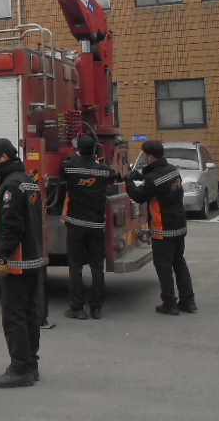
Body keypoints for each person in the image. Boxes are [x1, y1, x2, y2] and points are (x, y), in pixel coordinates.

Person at [0, 137, 46, 388]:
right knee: (30, 314)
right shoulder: (29, 181)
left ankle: (20, 369)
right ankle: (31, 365)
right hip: (33, 260)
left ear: (2, 158)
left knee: (13, 316)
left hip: (17, 263)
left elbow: (11, 227)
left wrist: (1, 257)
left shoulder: (10, 185)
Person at [124, 140, 196, 316]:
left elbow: (139, 196)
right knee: (179, 263)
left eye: (145, 156)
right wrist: (141, 176)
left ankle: (169, 303)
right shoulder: (172, 170)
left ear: (150, 157)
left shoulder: (153, 179)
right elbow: (156, 181)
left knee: (163, 266)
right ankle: (188, 301)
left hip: (163, 227)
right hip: (179, 224)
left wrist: (129, 182)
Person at [59, 134, 117, 320]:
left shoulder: (70, 168)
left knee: (75, 267)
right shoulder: (104, 171)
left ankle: (77, 308)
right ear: (95, 150)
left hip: (75, 224)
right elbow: (115, 176)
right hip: (96, 225)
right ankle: (96, 308)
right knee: (97, 267)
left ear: (78, 150)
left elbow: (61, 170)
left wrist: (73, 157)